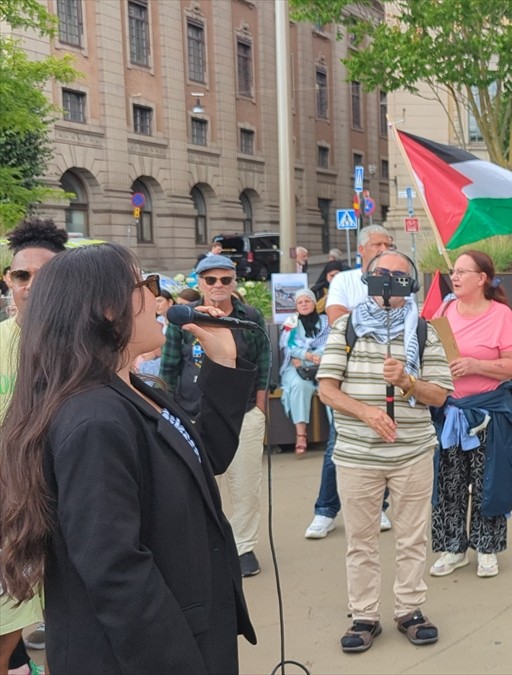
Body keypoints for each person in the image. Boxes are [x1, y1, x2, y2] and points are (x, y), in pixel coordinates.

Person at [0, 243, 258, 673]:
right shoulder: (94, 418)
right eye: (146, 284)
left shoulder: (136, 388)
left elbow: (204, 455)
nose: (158, 299)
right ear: (106, 308)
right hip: (149, 653)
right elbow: (116, 573)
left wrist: (224, 365)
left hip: (187, 626)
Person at [317, 249, 453, 653]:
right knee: (361, 540)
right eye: (382, 274)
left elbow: (441, 395)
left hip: (412, 453)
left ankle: (410, 610)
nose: (390, 282)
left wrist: (408, 381)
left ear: (410, 283)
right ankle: (364, 615)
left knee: (412, 537)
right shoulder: (346, 328)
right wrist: (368, 413)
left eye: (399, 275)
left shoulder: (426, 330)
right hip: (358, 456)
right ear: (369, 279)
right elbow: (327, 388)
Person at [161, 254, 271, 578]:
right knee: (196, 485)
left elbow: (263, 366)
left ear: (234, 282)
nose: (219, 286)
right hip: (190, 412)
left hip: (244, 412)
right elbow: (168, 367)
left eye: (225, 279)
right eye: (211, 280)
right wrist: (169, 412)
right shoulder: (185, 319)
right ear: (200, 283)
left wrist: (260, 410)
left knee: (246, 483)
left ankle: (243, 546)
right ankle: (204, 547)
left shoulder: (249, 318)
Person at [427, 251, 512, 578]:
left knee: (488, 481)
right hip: (450, 412)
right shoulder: (444, 310)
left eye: (462, 272)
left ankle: (487, 548)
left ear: (481, 278)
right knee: (450, 482)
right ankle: (454, 548)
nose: (454, 277)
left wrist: (476, 365)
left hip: (487, 411)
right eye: (453, 271)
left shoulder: (500, 315)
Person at [0, 219, 66, 668]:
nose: (30, 287)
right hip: (11, 514)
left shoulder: (86, 348)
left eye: (44, 277)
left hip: (70, 509)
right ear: (8, 280)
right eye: (21, 276)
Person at [306, 225, 396, 538]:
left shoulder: (398, 279)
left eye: (389, 243)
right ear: (361, 250)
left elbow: (404, 321)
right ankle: (325, 510)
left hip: (386, 373)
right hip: (347, 374)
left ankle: (379, 508)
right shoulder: (345, 279)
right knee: (338, 443)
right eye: (377, 243)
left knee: (382, 437)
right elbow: (337, 321)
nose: (384, 248)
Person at [280, 289, 330, 454]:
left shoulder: (325, 320)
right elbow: (288, 346)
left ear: (314, 303)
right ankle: (301, 435)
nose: (303, 304)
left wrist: (317, 356)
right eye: (300, 302)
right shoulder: (291, 321)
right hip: (297, 366)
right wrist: (307, 355)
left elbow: (331, 342)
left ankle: (336, 433)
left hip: (323, 363)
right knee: (301, 386)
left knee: (330, 387)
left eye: (307, 301)